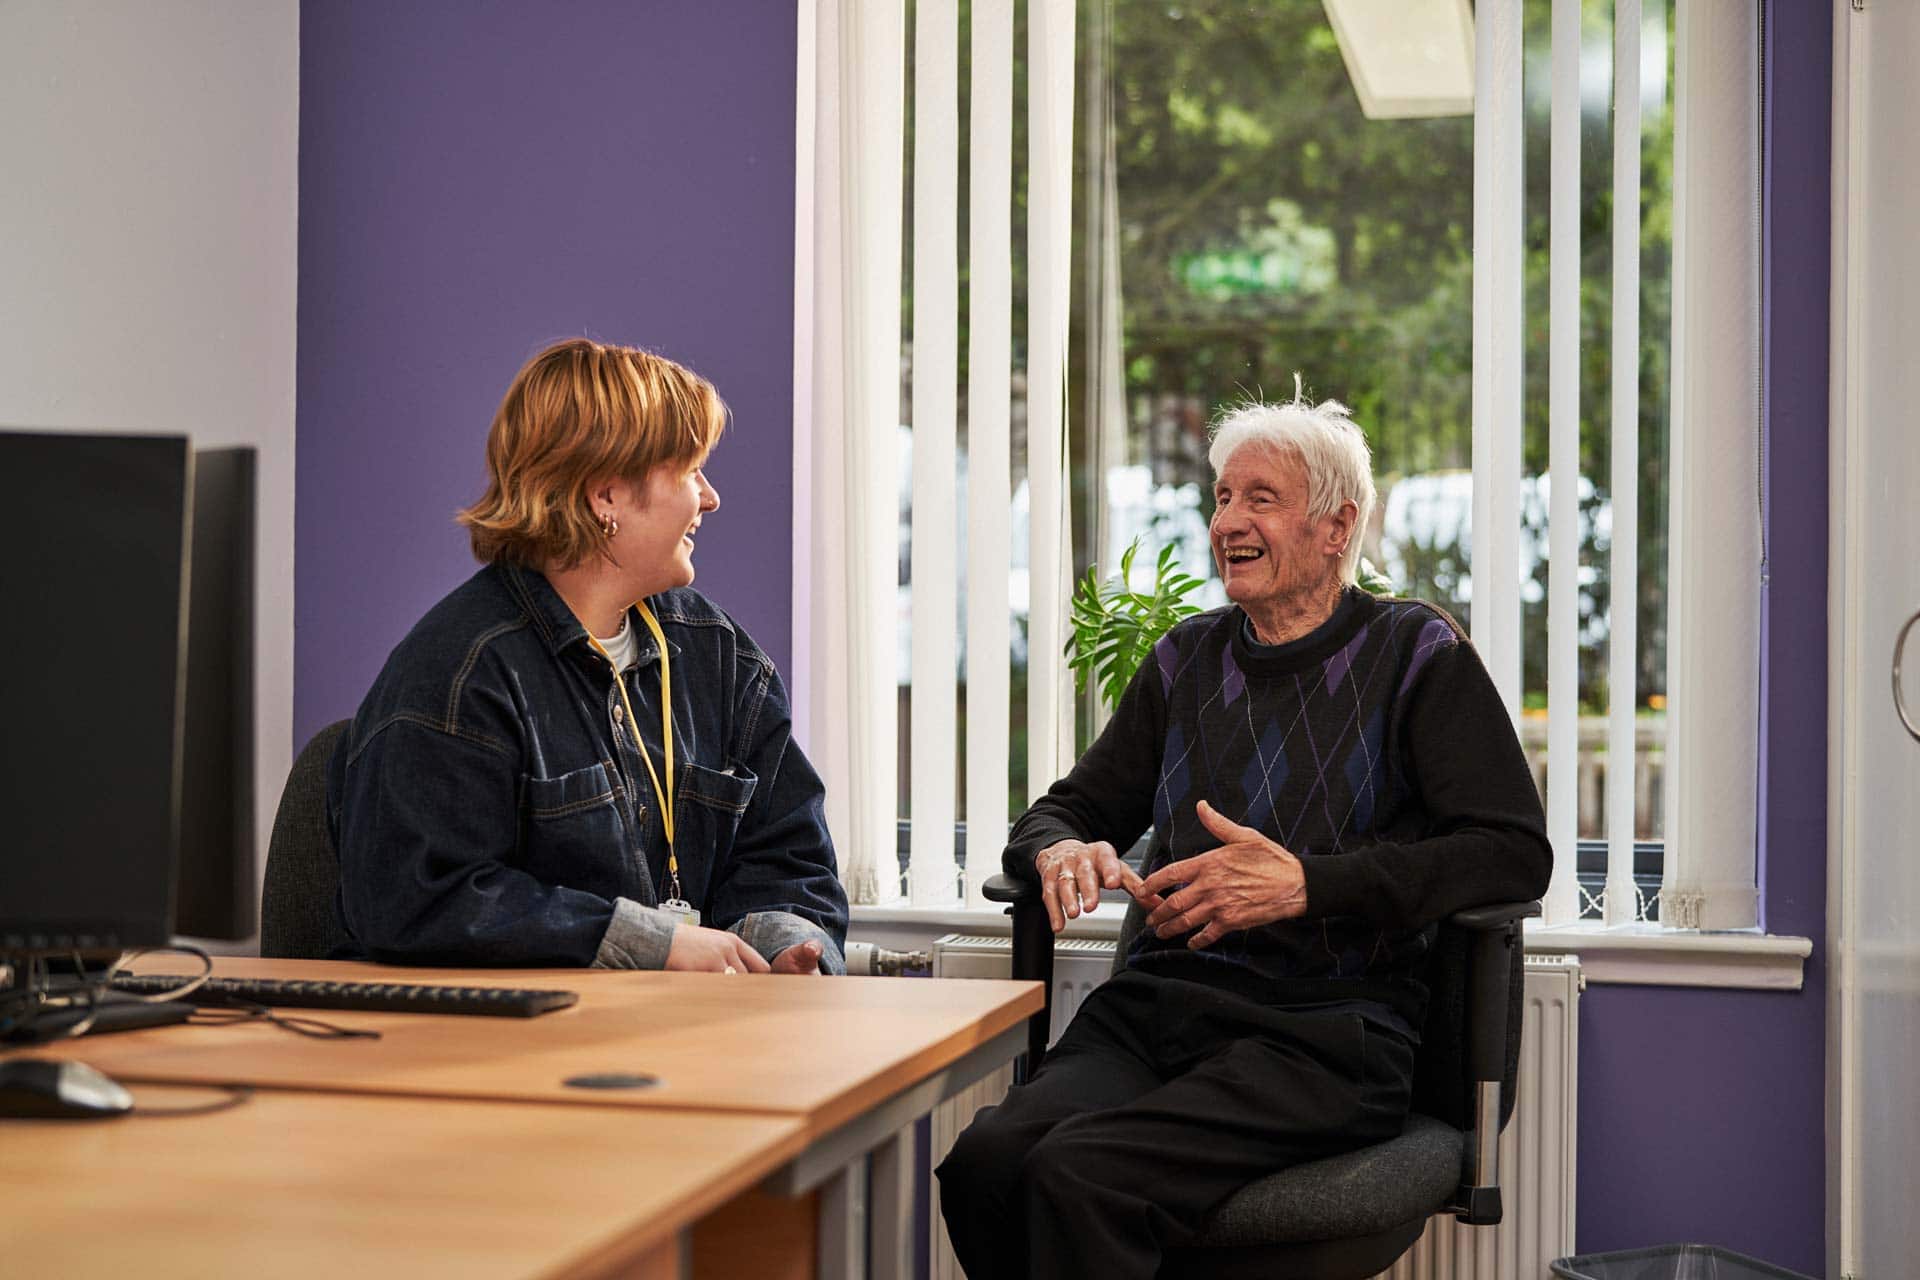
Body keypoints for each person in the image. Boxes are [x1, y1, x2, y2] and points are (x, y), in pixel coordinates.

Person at [936, 388, 1551, 1278]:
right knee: (985, 1165)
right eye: (1222, 496)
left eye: (1260, 497)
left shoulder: (1416, 654)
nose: (1229, 519)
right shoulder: (1186, 660)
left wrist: (1308, 885)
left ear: (1337, 528)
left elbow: (1512, 849)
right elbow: (1060, 812)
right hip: (1158, 1015)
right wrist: (1061, 849)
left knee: (1081, 1178)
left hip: (1326, 1035)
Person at [327, 338, 847, 975]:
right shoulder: (460, 672)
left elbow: (790, 858)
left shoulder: (723, 659)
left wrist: (781, 950)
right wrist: (652, 943)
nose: (709, 499)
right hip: (516, 1055)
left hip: (700, 1043)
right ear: (607, 497)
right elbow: (417, 901)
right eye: (689, 473)